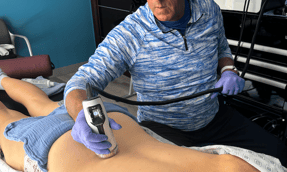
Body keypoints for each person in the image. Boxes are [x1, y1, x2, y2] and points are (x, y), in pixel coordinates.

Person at [64, 0, 287, 166]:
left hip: (215, 119)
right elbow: (82, 80)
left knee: (279, 154)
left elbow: (222, 46)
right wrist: (79, 115)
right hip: (165, 131)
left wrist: (229, 70)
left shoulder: (209, 9)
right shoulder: (131, 33)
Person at [0, 70, 263, 172]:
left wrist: (228, 68)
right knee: (18, 113)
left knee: (40, 106)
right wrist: (79, 110)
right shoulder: (132, 29)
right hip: (72, 135)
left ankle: (2, 77)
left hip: (108, 119)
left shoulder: (232, 168)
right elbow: (85, 76)